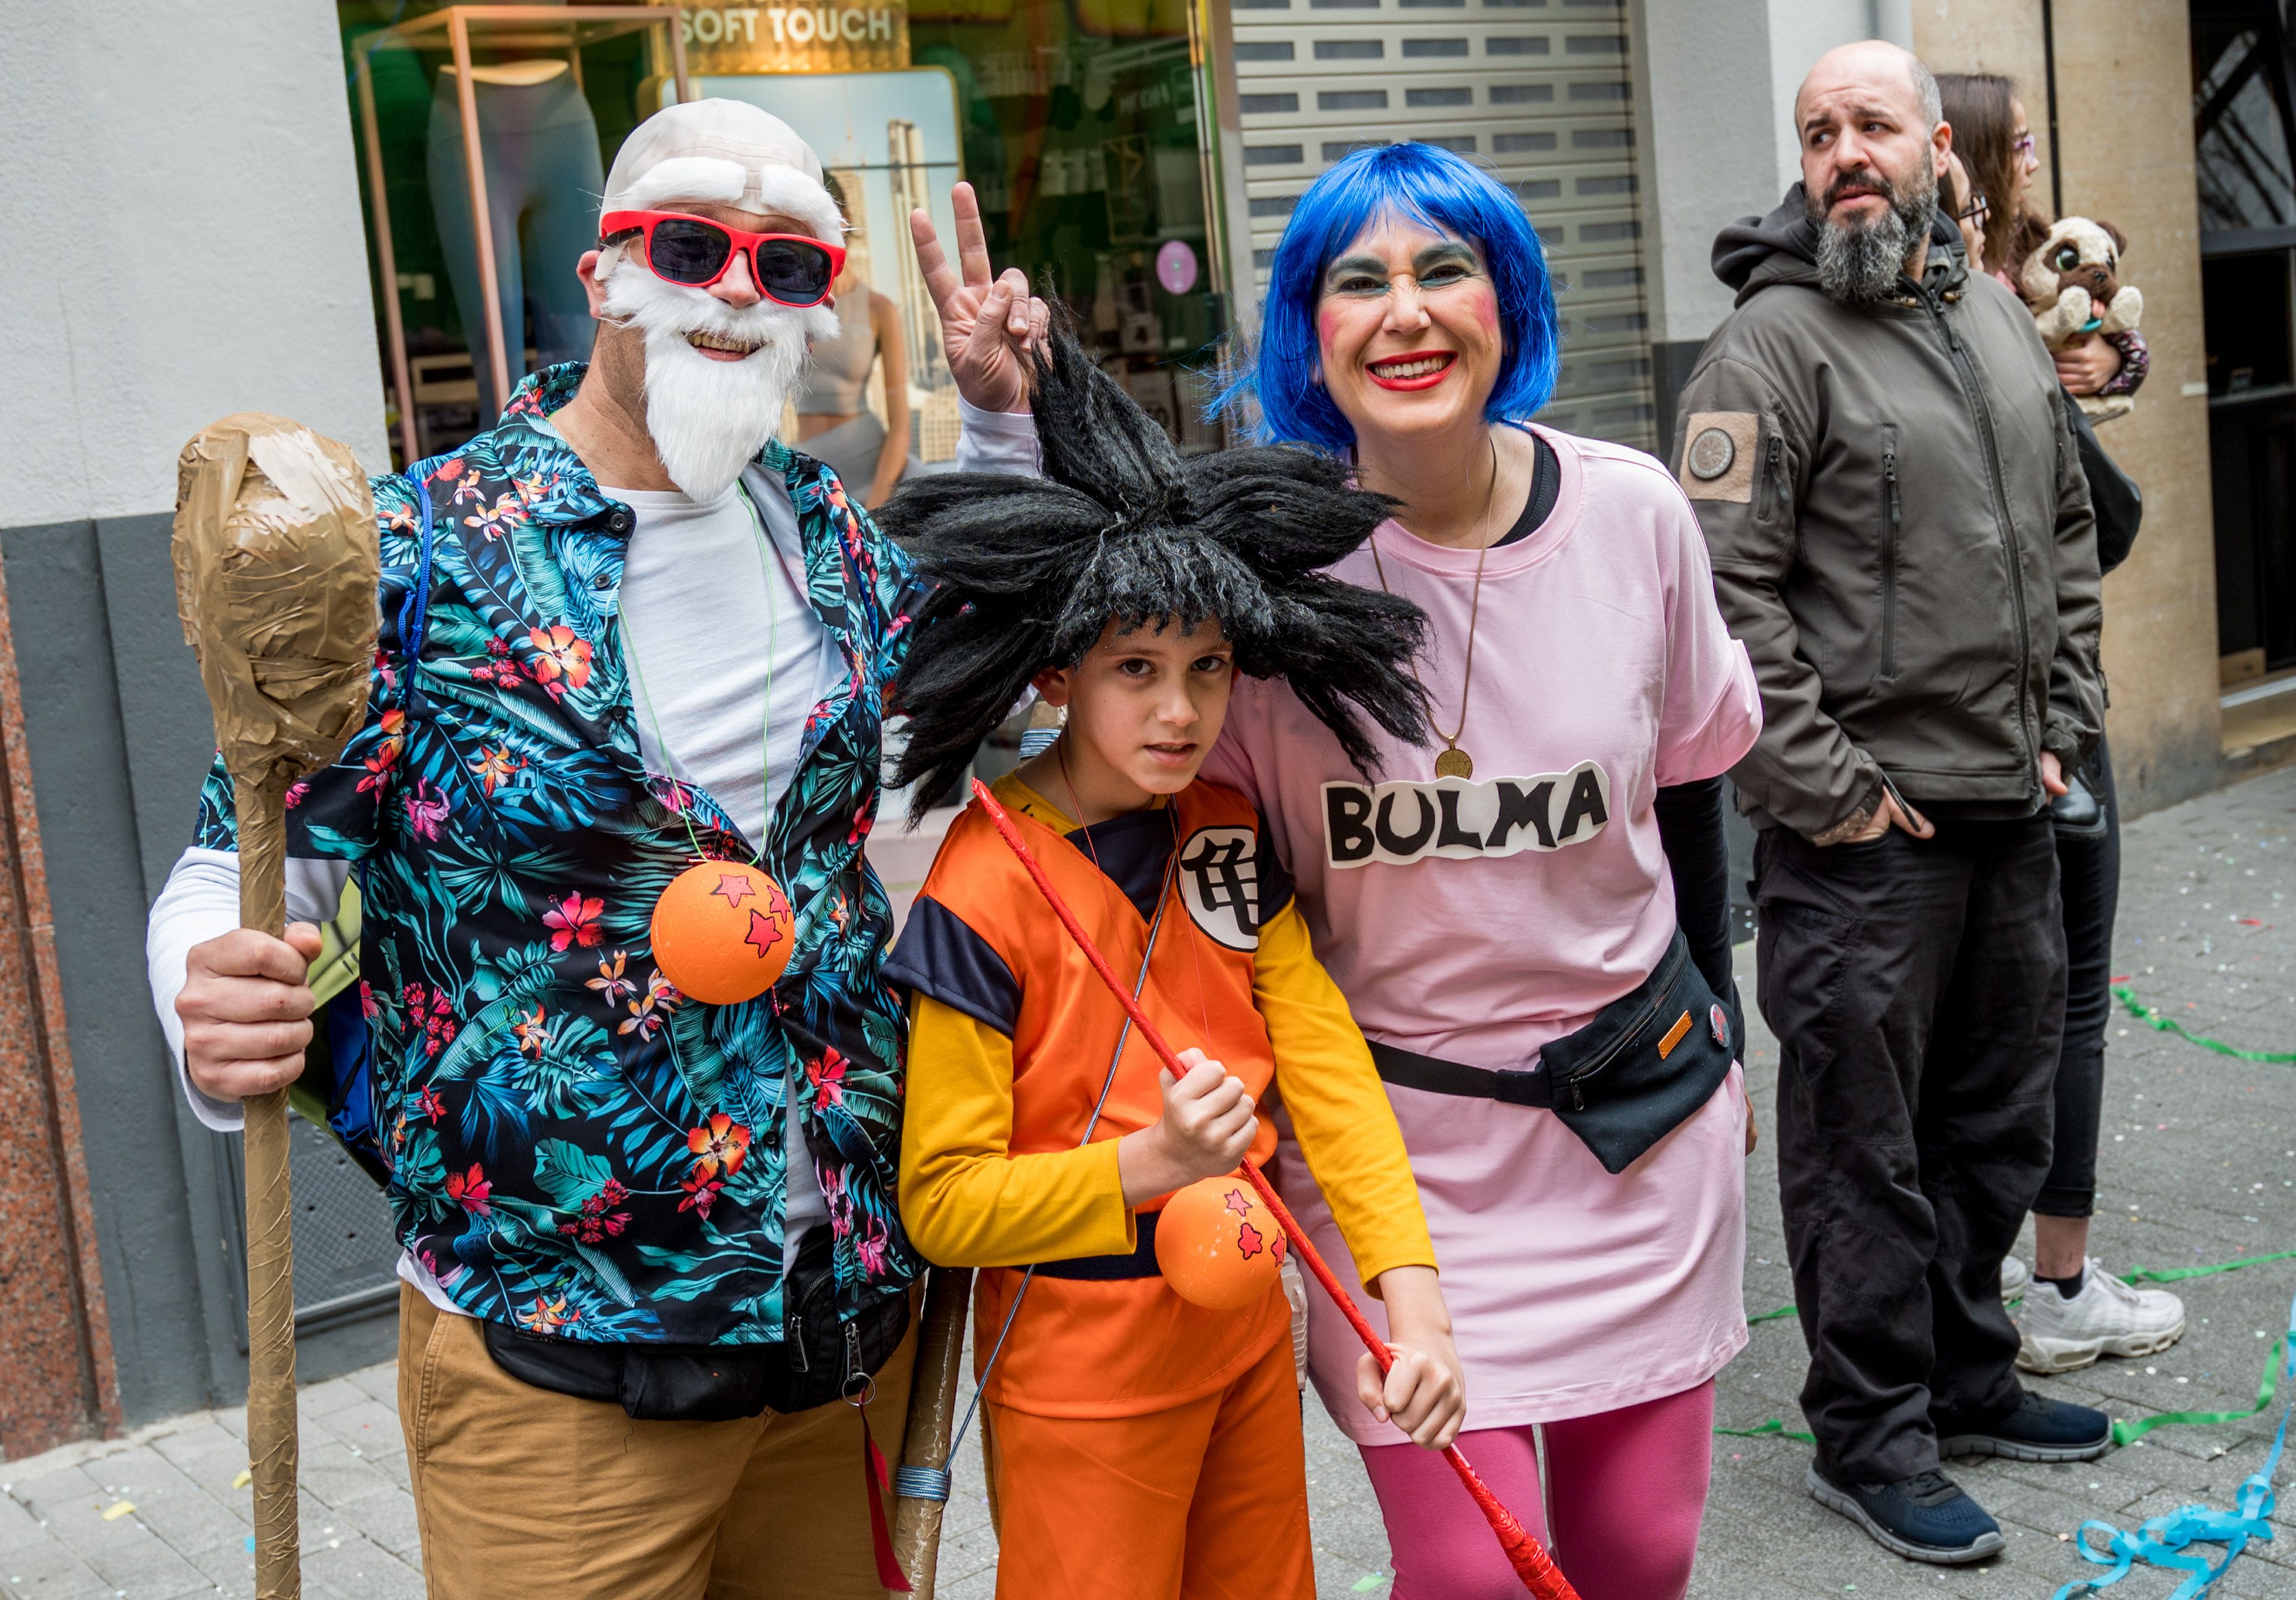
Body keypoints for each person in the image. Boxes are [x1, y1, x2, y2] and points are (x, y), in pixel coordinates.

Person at [146, 99, 1049, 1598]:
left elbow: (988, 690)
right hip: (559, 1358)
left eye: (789, 264)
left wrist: (1005, 422)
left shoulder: (824, 530)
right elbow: (233, 864)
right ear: (600, 277)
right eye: (694, 247)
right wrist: (210, 983)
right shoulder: (417, 554)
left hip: (837, 1321)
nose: (739, 293)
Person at [1142, 139, 1758, 1600]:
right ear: (1310, 332)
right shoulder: (1263, 584)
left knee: (1637, 1553)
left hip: (1635, 1127)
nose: (1404, 312)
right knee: (1479, 1573)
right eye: (1358, 281)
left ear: (1508, 307)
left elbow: (1689, 786)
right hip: (1393, 1163)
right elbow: (1174, 812)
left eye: (1444, 271)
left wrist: (1722, 1030)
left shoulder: (1632, 518)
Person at [879, 325, 1463, 1600]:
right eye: (1133, 669)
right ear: (1055, 674)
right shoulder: (978, 882)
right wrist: (1151, 1164)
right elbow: (941, 1200)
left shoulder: (1223, 828)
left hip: (1247, 1327)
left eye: (1205, 669)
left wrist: (1406, 1297)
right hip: (1076, 1366)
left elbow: (1326, 1070)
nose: (1177, 709)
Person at [1677, 41, 2112, 1565]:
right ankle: (1867, 1431)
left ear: (1937, 148)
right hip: (1863, 838)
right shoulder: (1766, 349)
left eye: (1871, 125)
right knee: (1863, 1148)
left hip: (2005, 806)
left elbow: (2062, 528)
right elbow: (1724, 609)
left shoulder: (1993, 313)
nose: (1844, 151)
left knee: (1991, 1122)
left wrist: (2064, 718)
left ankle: (1967, 1373)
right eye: (1818, 132)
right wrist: (1832, 791)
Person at [1933, 132, 2185, 1373]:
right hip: (2032, 728)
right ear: (1968, 175)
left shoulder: (2000, 318)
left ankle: (1975, 1278)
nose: (2035, 152)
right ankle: (2056, 1281)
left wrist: (2102, 359)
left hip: (1986, 721)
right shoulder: (1976, 330)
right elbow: (2114, 521)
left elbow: (2117, 363)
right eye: (2011, 138)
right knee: (2056, 997)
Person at [1937, 71, 2149, 405]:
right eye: (2020, 147)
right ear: (1979, 156)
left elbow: (2103, 306)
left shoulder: (2023, 242)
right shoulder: (1937, 273)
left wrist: (2115, 359)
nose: (2033, 164)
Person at [796, 172, 916, 507]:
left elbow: (901, 428)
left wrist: (877, 510)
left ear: (844, 221)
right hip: (810, 472)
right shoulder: (787, 306)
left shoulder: (879, 309)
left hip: (874, 470)